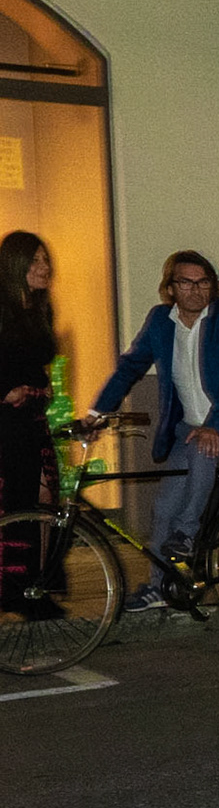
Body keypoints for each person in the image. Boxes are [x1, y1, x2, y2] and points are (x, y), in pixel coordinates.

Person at [88, 251, 219, 612]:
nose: (195, 290)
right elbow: (130, 366)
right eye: (186, 282)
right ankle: (158, 587)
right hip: (189, 431)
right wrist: (96, 410)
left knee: (201, 451)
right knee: (163, 507)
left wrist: (214, 425)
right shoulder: (161, 321)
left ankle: (189, 535)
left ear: (212, 285)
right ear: (170, 288)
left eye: (203, 282)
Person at [0, 233, 58, 617]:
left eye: (45, 260)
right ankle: (17, 588)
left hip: (33, 416)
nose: (43, 268)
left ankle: (33, 584)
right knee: (16, 502)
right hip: (7, 420)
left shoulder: (37, 308)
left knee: (44, 499)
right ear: (15, 265)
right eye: (35, 261)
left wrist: (43, 384)